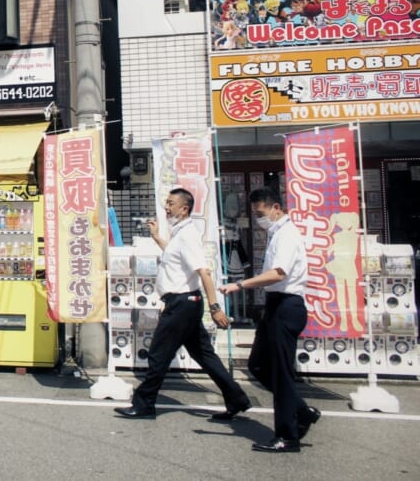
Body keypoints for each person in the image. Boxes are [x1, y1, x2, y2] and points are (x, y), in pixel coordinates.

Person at [115, 188, 250, 420]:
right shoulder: (180, 233)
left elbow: (204, 272)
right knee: (204, 355)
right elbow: (176, 259)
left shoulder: (188, 235)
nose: (167, 207)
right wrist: (157, 237)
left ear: (184, 208)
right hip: (184, 303)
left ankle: (144, 403)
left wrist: (215, 308)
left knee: (158, 354)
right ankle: (237, 399)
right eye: (166, 203)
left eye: (170, 203)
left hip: (182, 304)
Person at [220, 188, 320, 453]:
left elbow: (278, 273)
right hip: (274, 305)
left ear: (276, 207)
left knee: (281, 372)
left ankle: (287, 436)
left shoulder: (287, 235)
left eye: (260, 212)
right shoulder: (276, 233)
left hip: (287, 305)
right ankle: (302, 411)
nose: (258, 218)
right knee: (258, 365)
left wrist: (239, 284)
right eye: (255, 213)